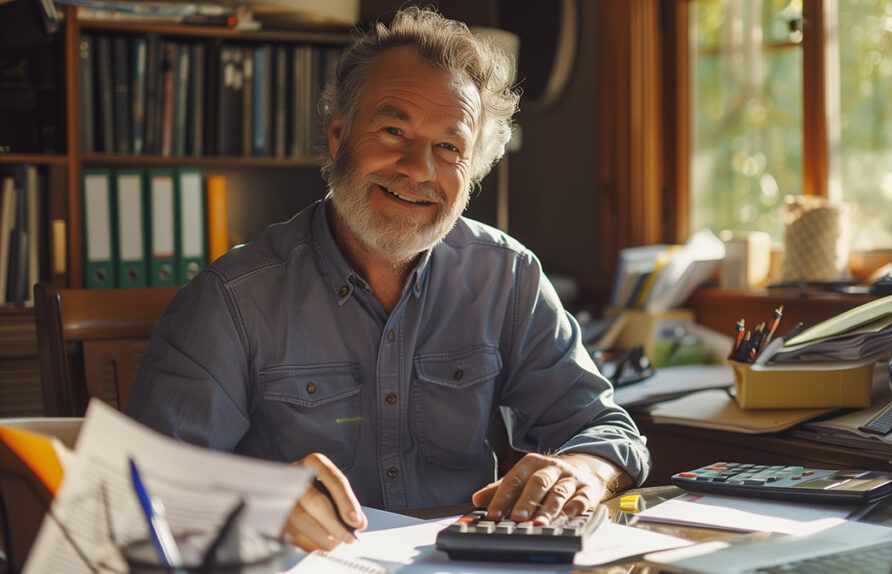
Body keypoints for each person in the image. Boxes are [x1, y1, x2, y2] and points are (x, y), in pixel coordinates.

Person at [127, 7, 650, 552]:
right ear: (338, 137)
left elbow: (605, 430)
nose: (420, 168)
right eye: (393, 129)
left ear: (474, 169)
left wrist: (586, 471)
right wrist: (262, 502)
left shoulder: (507, 277)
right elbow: (145, 488)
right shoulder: (233, 299)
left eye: (449, 147)